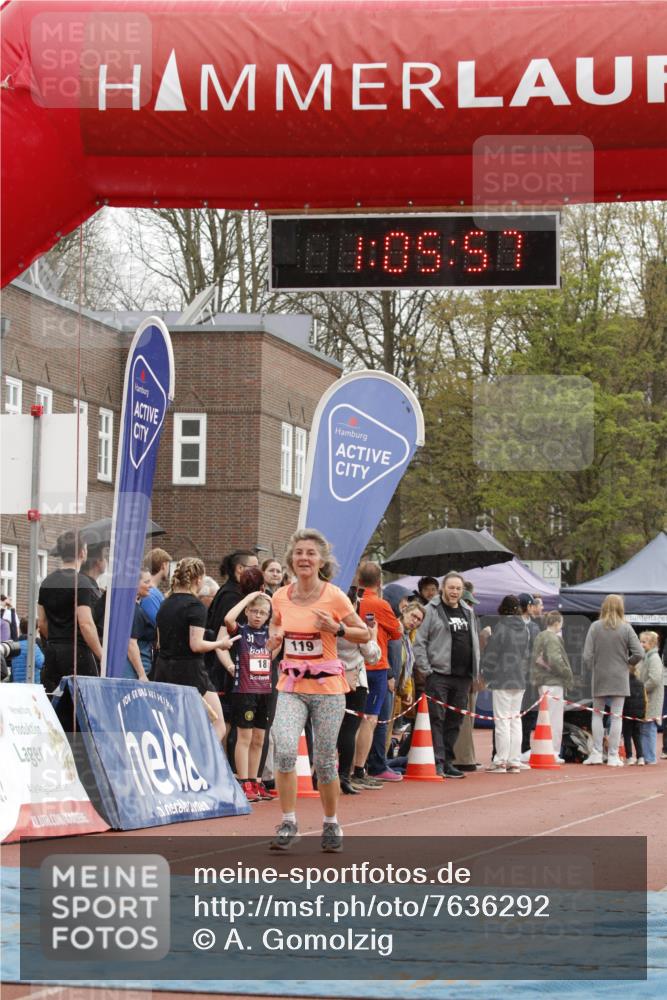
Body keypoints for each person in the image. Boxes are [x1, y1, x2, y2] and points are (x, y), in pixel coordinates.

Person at [268, 529, 369, 852]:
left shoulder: (334, 596)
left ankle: (331, 823)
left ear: (321, 560)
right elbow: (276, 627)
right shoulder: (280, 596)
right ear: (291, 559)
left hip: (327, 689)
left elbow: (364, 634)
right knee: (285, 749)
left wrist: (337, 628)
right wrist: (274, 641)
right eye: (299, 552)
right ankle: (288, 822)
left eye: (311, 553)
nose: (304, 558)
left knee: (325, 761)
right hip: (291, 685)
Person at [154, 558, 237, 743]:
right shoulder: (195, 606)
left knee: (175, 726)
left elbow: (159, 642)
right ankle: (202, 757)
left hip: (163, 670)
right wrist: (220, 644)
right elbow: (196, 645)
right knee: (219, 724)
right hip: (190, 672)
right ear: (198, 579)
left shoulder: (165, 603)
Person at [413, 571, 481, 779]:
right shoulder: (431, 610)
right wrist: (426, 670)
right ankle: (437, 761)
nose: (455, 592)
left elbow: (474, 642)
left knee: (455, 720)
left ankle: (449, 760)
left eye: (458, 589)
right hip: (439, 674)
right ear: (443, 588)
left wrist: (475, 671)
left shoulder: (467, 611)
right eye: (451, 588)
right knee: (437, 718)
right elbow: (419, 641)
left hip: (463, 676)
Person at [223, 590, 276, 802]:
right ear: (247, 611)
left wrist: (274, 604)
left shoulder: (269, 633)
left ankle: (255, 781)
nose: (257, 616)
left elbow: (283, 625)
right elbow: (228, 619)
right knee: (244, 738)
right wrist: (247, 598)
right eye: (254, 611)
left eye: (263, 613)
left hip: (265, 691)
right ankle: (244, 782)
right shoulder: (242, 631)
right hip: (245, 690)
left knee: (259, 739)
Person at [354, 562, 403, 784]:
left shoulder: (352, 601)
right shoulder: (380, 604)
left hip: (353, 665)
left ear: (358, 580)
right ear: (379, 581)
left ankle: (350, 768)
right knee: (372, 719)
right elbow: (397, 632)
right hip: (375, 666)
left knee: (351, 720)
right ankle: (363, 768)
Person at [582, 594, 644, 766]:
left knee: (597, 714)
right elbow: (639, 653)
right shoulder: (626, 628)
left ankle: (596, 752)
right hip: (619, 676)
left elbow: (587, 656)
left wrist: (594, 668)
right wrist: (627, 664)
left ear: (604, 606)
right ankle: (613, 755)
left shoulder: (595, 627)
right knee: (617, 716)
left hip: (600, 675)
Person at [38, 531, 103, 691]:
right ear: (82, 553)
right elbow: (86, 624)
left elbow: (42, 623)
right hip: (77, 654)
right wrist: (102, 655)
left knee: (54, 702)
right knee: (83, 703)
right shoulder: (81, 583)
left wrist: (57, 639)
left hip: (52, 654)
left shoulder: (46, 582)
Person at [481, 595, 530, 773]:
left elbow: (492, 654)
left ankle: (501, 761)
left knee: (502, 721)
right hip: (519, 678)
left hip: (502, 678)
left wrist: (486, 673)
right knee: (515, 720)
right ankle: (514, 760)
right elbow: (525, 654)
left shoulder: (501, 627)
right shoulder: (525, 628)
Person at [529, 610, 574, 763]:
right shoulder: (552, 638)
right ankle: (553, 751)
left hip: (543, 681)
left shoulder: (540, 636)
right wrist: (567, 673)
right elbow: (555, 660)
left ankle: (544, 749)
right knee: (555, 719)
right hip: (553, 682)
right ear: (556, 623)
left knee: (545, 718)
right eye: (561, 623)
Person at [124, 569, 155, 681]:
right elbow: (130, 644)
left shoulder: (130, 606)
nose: (151, 585)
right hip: (131, 673)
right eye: (146, 582)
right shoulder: (133, 609)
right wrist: (142, 674)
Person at [638, 630, 663, 766]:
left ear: (652, 643)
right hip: (646, 698)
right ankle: (646, 755)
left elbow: (654, 679)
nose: (641, 644)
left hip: (652, 699)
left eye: (644, 642)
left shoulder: (654, 658)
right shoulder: (646, 657)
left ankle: (650, 757)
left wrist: (641, 689)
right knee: (644, 728)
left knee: (649, 728)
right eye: (640, 641)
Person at [140, 547, 172, 624]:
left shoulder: (151, 592)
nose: (168, 570)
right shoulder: (149, 594)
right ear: (164, 565)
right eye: (169, 566)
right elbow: (159, 624)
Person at [8, 617, 45, 683]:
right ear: (35, 630)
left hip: (16, 684)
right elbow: (42, 664)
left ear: (20, 629)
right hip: (32, 684)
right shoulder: (33, 646)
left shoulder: (14, 646)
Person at [622, 664, 646, 765]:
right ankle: (641, 757)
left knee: (627, 735)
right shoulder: (641, 683)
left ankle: (629, 757)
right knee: (637, 735)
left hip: (627, 713)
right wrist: (642, 713)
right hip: (638, 714)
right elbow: (644, 699)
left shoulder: (624, 684)